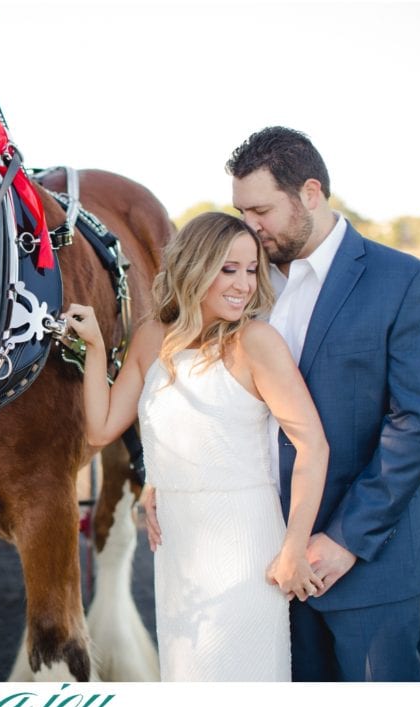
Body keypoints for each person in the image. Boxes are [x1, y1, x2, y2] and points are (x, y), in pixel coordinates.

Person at [225, 126, 420, 681]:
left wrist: (346, 539)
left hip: (369, 561)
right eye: (241, 212)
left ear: (309, 193)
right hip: (267, 559)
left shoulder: (403, 280)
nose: (249, 226)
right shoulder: (241, 288)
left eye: (260, 210)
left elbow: (418, 423)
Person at [64, 211, 328, 681]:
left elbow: (312, 445)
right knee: (188, 677)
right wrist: (96, 350)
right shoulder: (150, 338)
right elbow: (100, 430)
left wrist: (293, 547)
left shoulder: (257, 342)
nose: (245, 284)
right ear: (195, 267)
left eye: (252, 270)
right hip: (179, 546)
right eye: (229, 269)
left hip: (246, 541)